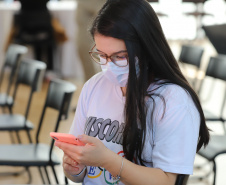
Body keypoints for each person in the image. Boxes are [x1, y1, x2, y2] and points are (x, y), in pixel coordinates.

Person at [55, 0, 210, 184]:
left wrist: (107, 159)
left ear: (147, 48)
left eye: (120, 56)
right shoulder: (94, 86)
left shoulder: (173, 101)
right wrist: (74, 167)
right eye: (102, 55)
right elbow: (79, 174)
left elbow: (167, 181)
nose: (109, 66)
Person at [75, 0, 106, 81]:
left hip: (104, 3)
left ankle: (106, 84)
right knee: (82, 47)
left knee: (107, 48)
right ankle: (91, 84)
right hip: (84, 3)